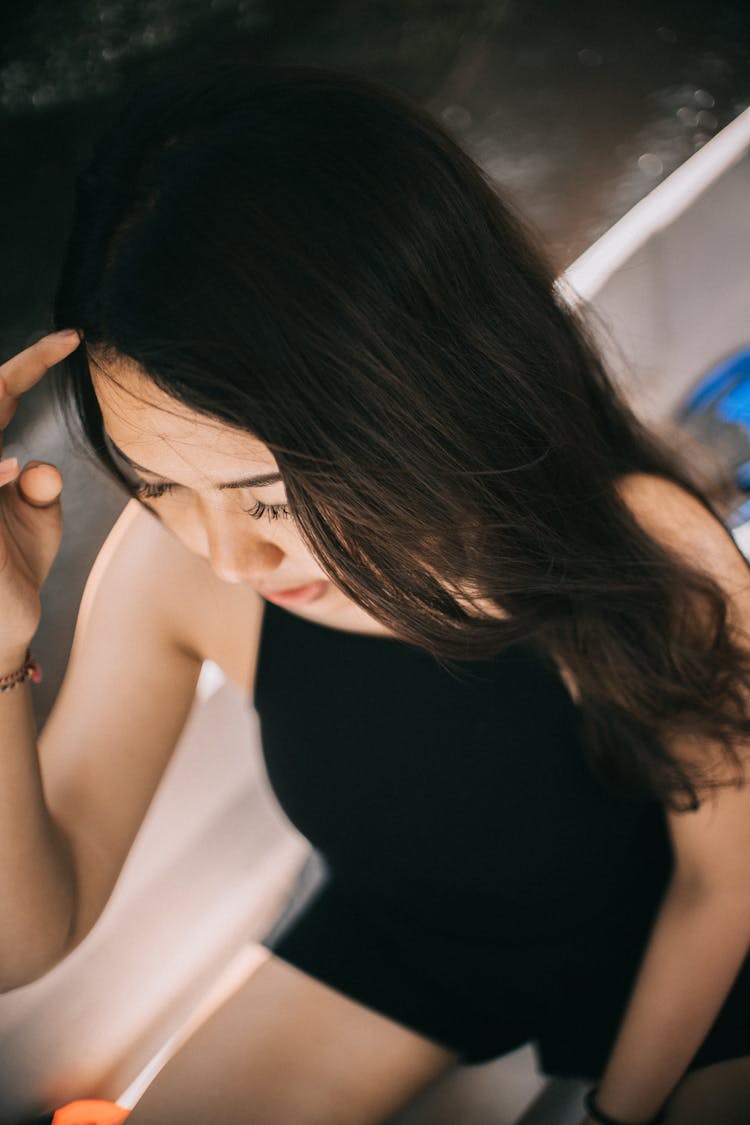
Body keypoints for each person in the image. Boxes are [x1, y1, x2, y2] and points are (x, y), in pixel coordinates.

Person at [2, 61, 750, 1125]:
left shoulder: (636, 544)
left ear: (410, 398)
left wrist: (614, 1115)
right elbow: (27, 942)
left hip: (683, 938)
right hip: (417, 942)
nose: (225, 557)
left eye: (267, 497)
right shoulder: (174, 566)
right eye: (160, 485)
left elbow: (722, 885)